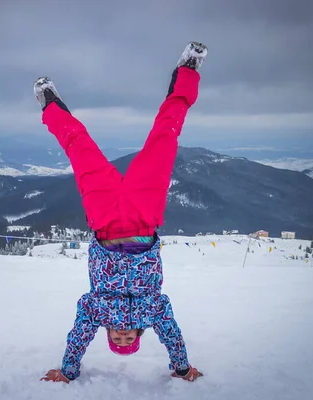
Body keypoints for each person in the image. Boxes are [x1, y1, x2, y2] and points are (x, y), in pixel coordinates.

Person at [34, 41, 207, 384]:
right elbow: (172, 336)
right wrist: (183, 368)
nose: (123, 335)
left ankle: (50, 103)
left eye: (118, 339)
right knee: (165, 138)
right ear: (141, 334)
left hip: (107, 221)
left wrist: (68, 372)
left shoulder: (95, 311)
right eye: (129, 339)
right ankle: (187, 72)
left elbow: (78, 338)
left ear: (109, 334)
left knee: (79, 150)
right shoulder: (155, 310)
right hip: (145, 216)